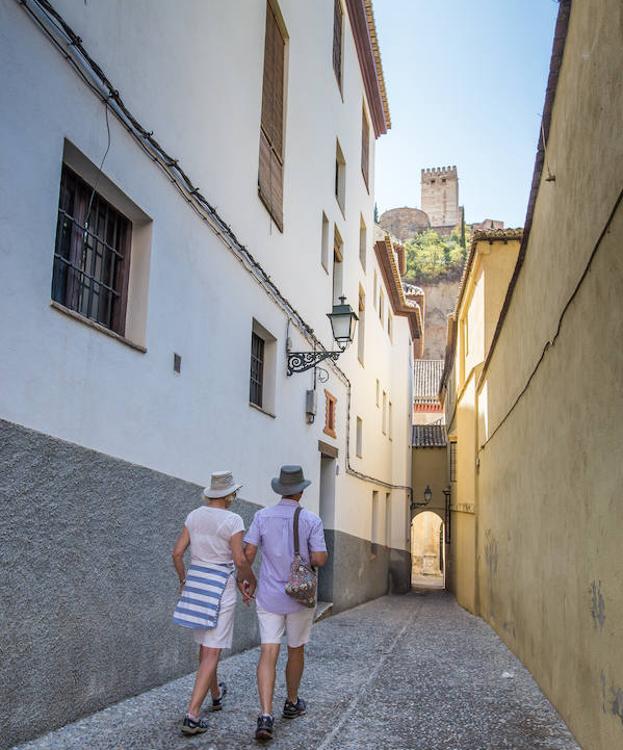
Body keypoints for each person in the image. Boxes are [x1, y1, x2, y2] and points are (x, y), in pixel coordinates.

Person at [244, 465, 328, 742]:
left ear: (280, 489)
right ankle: (291, 702)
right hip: (299, 597)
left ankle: (265, 715)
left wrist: (247, 580)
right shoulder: (311, 520)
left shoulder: (261, 516)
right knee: (295, 649)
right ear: (301, 492)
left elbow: (248, 553)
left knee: (268, 652)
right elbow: (319, 558)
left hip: (268, 595)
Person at [172, 471, 256, 736]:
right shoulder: (233, 519)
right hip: (221, 585)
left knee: (207, 646)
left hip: (197, 584)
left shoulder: (194, 515)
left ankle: (216, 695)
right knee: (212, 650)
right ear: (231, 494)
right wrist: (249, 582)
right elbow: (240, 561)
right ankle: (192, 715)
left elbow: (176, 553)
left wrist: (184, 579)